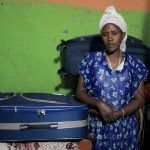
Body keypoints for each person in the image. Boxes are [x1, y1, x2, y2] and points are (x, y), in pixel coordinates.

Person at [75, 6, 149, 150]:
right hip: (99, 128)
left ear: (123, 35)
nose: (109, 38)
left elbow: (140, 99)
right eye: (105, 34)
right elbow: (79, 92)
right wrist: (99, 103)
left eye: (114, 33)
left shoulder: (134, 65)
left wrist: (120, 113)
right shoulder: (92, 61)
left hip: (125, 130)